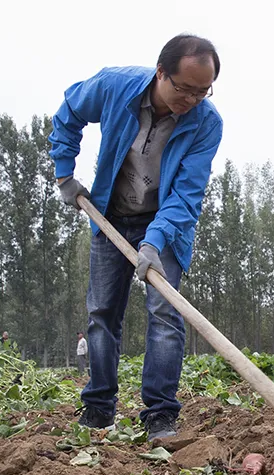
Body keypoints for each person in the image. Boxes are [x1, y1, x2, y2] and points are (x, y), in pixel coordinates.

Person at [49, 34, 223, 439]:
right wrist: (64, 173)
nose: (193, 100)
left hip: (166, 225)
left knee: (165, 313)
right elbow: (69, 111)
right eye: (185, 89)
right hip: (109, 214)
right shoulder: (115, 86)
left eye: (203, 91)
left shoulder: (206, 123)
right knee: (102, 313)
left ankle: (160, 414)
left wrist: (154, 240)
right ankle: (99, 408)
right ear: (161, 73)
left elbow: (186, 195)